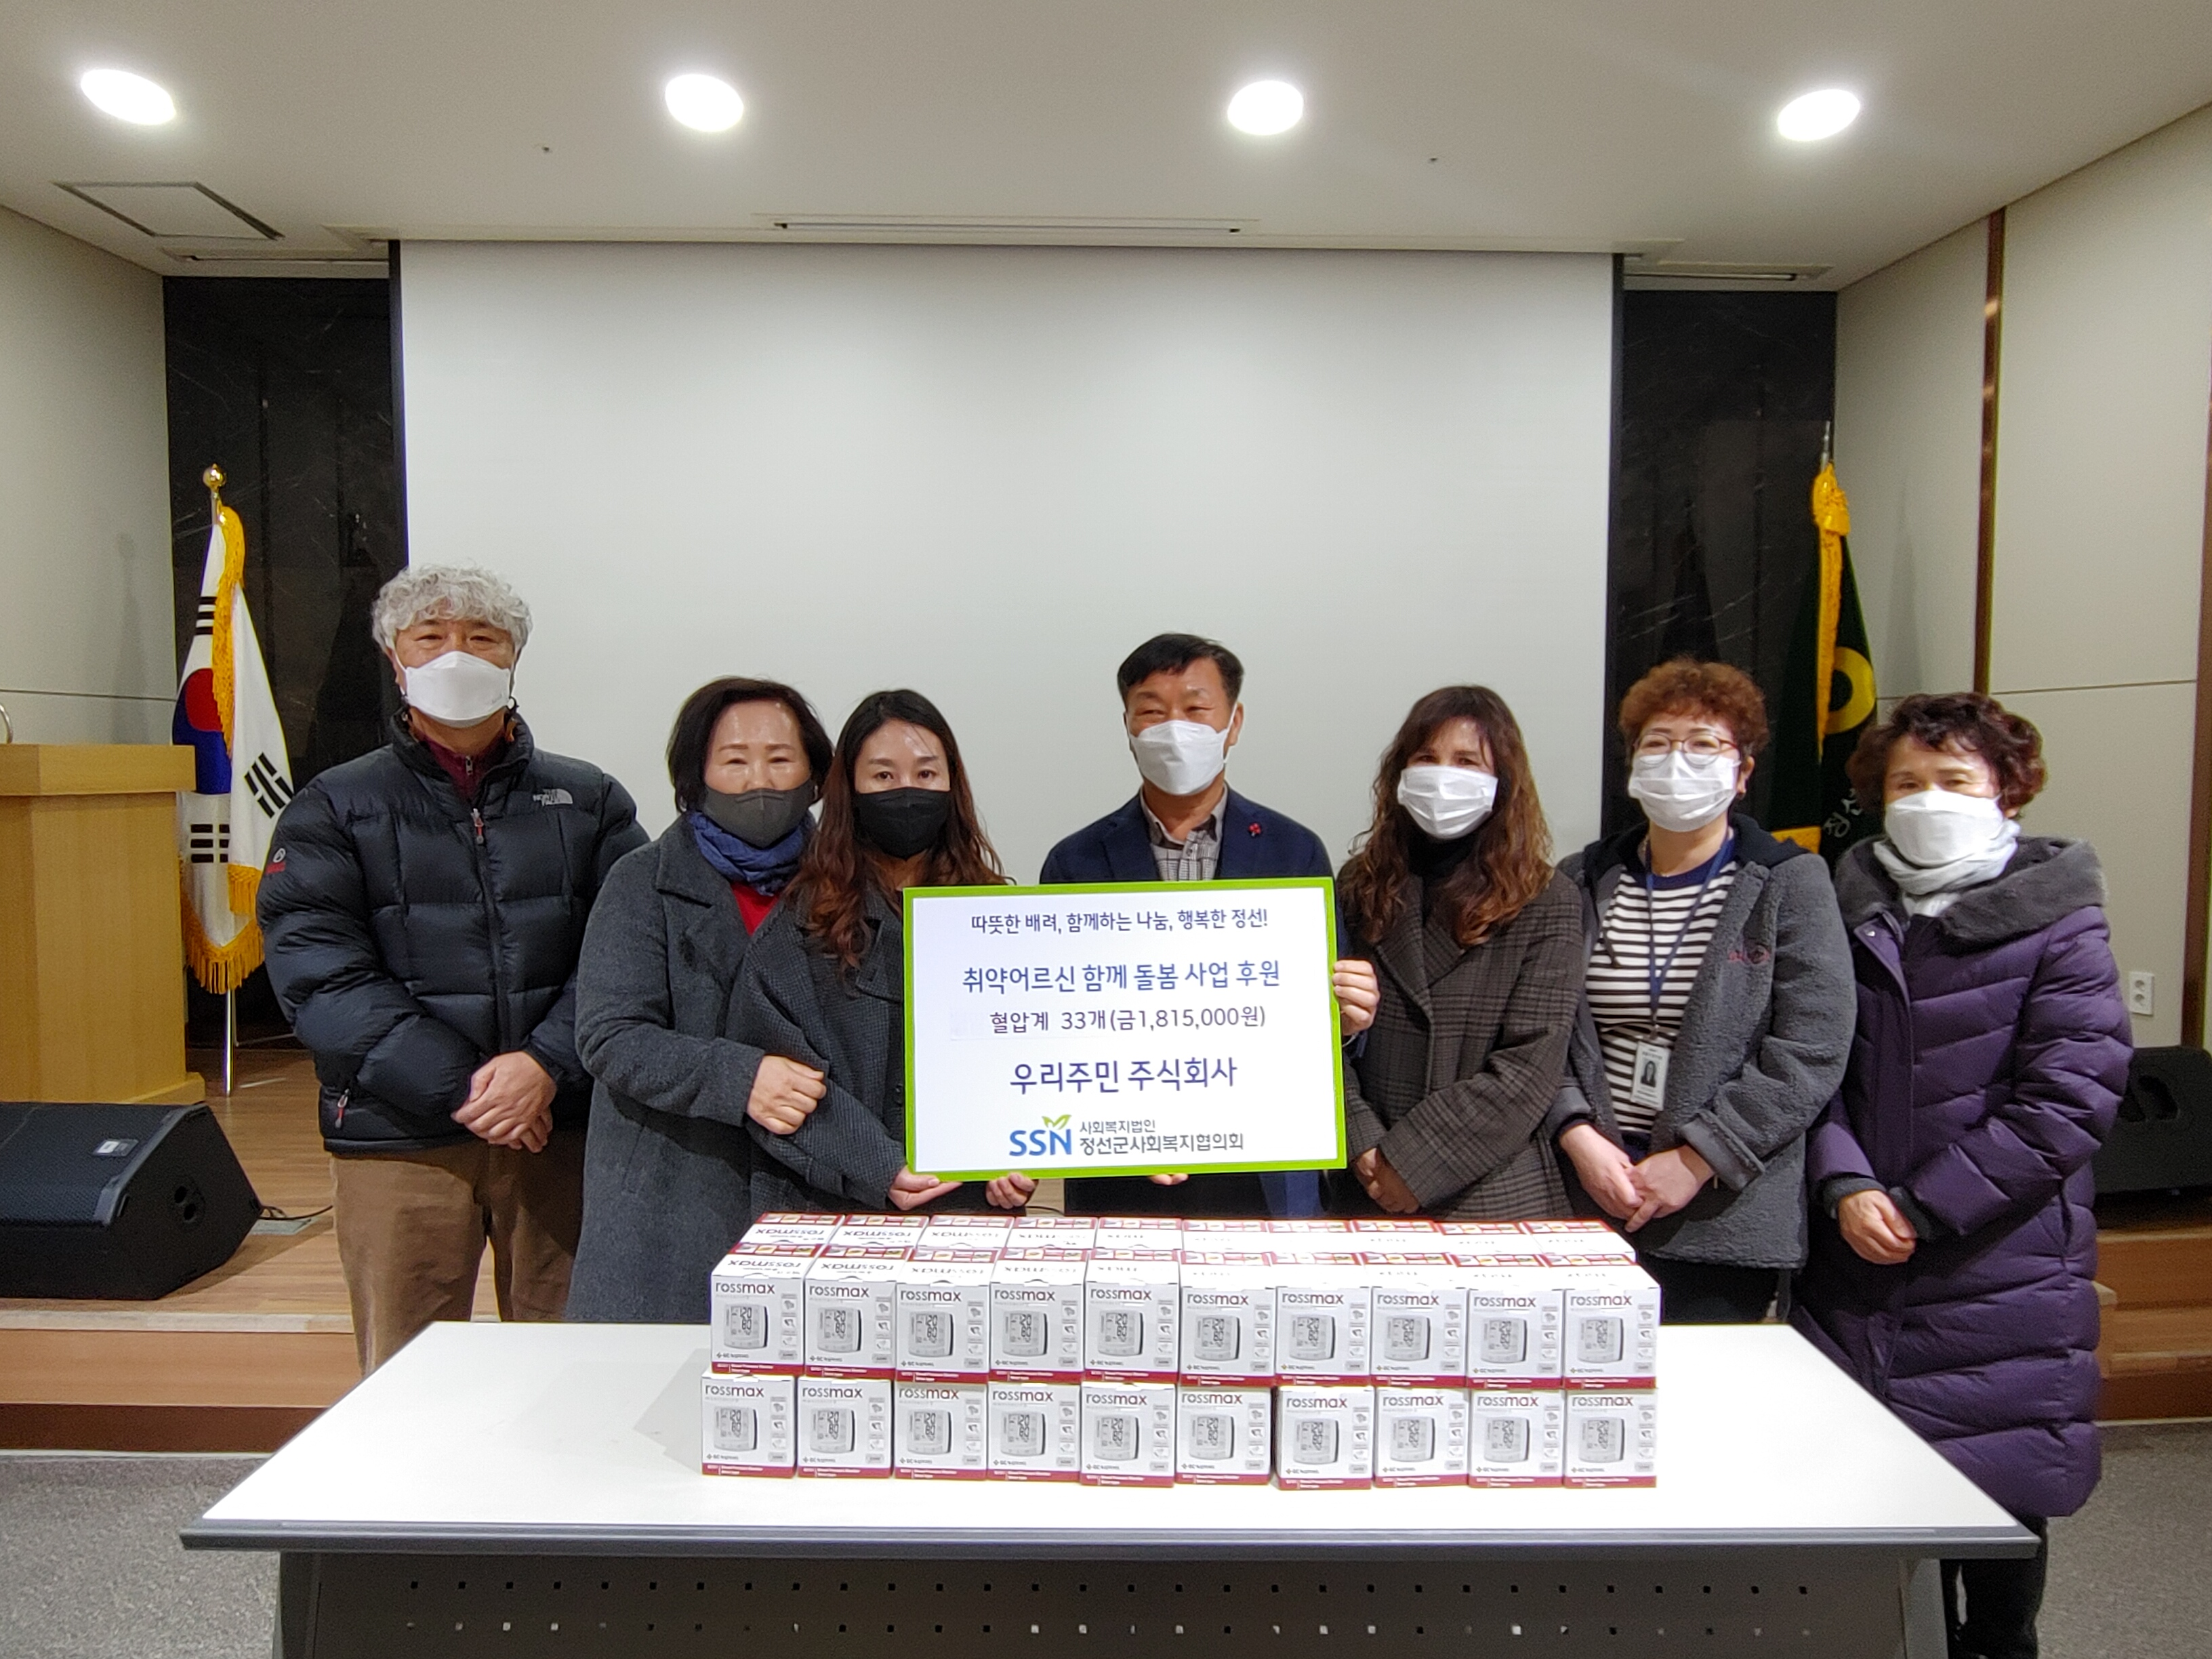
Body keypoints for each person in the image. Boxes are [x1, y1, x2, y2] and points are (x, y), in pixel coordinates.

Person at [1793, 693, 2130, 1659]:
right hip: (1855, 1258)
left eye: (1954, 780)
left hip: (1998, 1264)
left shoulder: (2060, 923)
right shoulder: (1842, 909)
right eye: (1907, 783)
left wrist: (1924, 1207)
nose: (1928, 800)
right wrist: (1845, 1185)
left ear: (2007, 793)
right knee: (1874, 1525)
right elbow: (1812, 1066)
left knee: (2000, 1504)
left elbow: (2069, 1098)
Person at [258, 566, 645, 1372]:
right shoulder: (333, 805)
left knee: (577, 1367)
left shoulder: (590, 800)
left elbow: (633, 953)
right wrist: (467, 1089)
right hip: (400, 1136)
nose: (456, 655)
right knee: (406, 1377)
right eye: (430, 638)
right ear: (395, 660)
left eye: (481, 638)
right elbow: (319, 973)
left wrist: (546, 1065)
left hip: (560, 1131)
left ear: (513, 658)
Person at [1549, 660, 1854, 1322]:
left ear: (1743, 772)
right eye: (1657, 743)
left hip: (1722, 1211)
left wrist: (1696, 1158)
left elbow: (1812, 1048)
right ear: (1633, 766)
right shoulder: (1582, 878)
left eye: (1703, 744)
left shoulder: (1789, 881)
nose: (1677, 760)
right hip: (1591, 1192)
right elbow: (1546, 1027)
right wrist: (1576, 1134)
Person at [1036, 632, 1375, 1217]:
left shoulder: (1293, 852)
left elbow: (1327, 1018)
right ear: (1127, 725)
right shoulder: (1075, 862)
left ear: (1233, 723)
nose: (1175, 729)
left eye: (1196, 710)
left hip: (1267, 1167)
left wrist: (1346, 1020)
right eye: (1151, 711)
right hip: (1125, 1175)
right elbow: (1057, 1025)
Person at [565, 678, 836, 1323]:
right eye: (734, 760)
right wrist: (739, 1078)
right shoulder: (641, 881)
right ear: (696, 777)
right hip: (673, 1196)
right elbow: (610, 1035)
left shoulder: (845, 882)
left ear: (814, 775)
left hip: (819, 1191)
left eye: (780, 758)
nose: (759, 780)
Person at [736, 689, 1033, 1215]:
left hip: (968, 1212)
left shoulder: (996, 916)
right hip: (831, 1212)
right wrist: (880, 1166)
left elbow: (1034, 1055)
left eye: (926, 773)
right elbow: (781, 1087)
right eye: (883, 776)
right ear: (850, 789)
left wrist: (1019, 1152)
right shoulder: (801, 923)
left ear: (952, 784)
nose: (907, 791)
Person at [1331, 686, 1584, 1219]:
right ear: (1401, 773)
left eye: (1467, 761)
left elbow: (1528, 1066)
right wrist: (1363, 1145)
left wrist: (1411, 1165)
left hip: (1491, 1194)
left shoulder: (1547, 898)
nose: (1443, 776)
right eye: (1427, 758)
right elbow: (1327, 1035)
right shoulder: (1359, 885)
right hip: (1365, 1184)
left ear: (1502, 781)